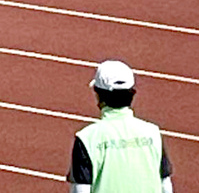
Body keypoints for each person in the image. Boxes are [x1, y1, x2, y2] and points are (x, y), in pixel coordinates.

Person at [66, 60, 174, 193]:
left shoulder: (87, 138)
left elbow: (81, 190)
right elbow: (165, 184)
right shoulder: (153, 134)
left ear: (98, 95)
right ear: (132, 93)